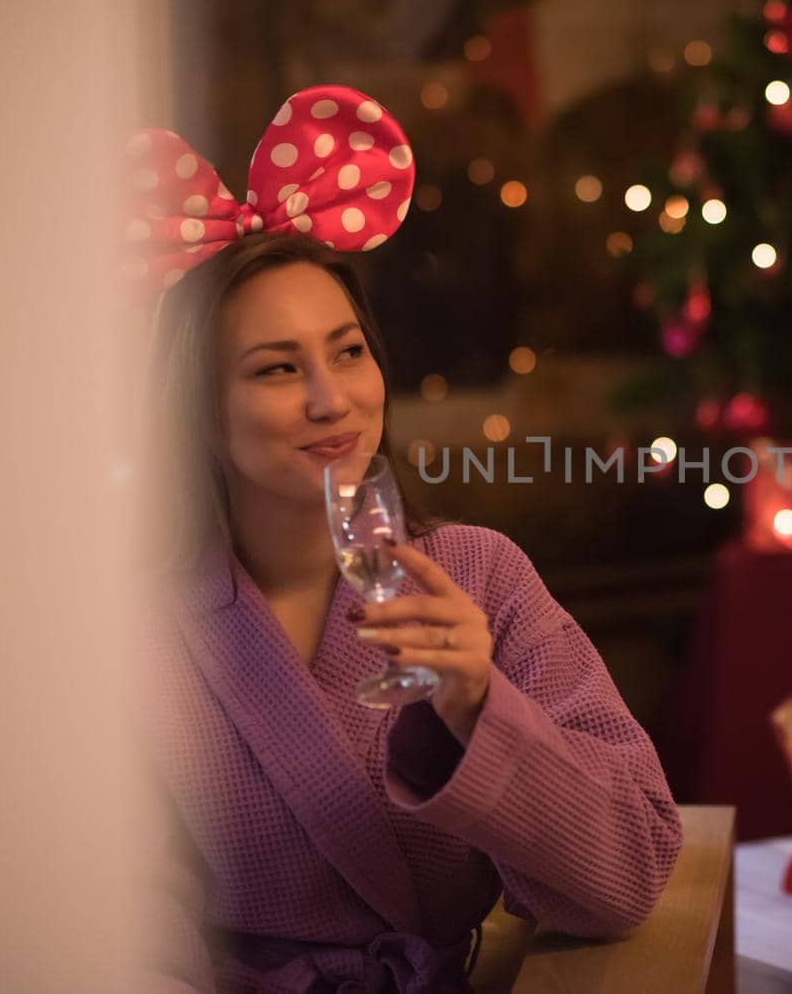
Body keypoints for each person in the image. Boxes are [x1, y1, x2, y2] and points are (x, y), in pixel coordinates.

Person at [132, 87, 683, 993]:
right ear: (196, 410)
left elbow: (628, 876)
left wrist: (476, 706)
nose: (331, 399)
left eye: (349, 352)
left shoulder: (480, 574)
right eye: (278, 369)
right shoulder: (142, 636)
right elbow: (125, 924)